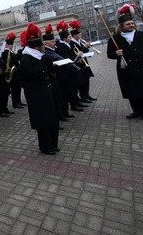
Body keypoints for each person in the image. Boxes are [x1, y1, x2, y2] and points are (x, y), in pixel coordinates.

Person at [107, 4, 143, 122]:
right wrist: (116, 53)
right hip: (126, 69)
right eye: (128, 24)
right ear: (121, 26)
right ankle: (136, 111)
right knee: (131, 90)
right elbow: (109, 54)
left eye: (132, 24)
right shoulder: (114, 39)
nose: (131, 25)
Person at [20, 23, 61, 155]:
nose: (44, 47)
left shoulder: (41, 56)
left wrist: (53, 65)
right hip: (37, 95)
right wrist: (43, 61)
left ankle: (53, 144)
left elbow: (49, 71)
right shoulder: (26, 58)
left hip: (48, 91)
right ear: (38, 47)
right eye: (42, 45)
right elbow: (32, 75)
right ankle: (45, 147)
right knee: (44, 122)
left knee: (53, 119)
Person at [55, 20, 87, 112]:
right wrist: (77, 56)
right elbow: (67, 59)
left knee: (75, 87)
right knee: (71, 89)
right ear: (65, 38)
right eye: (69, 37)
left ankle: (76, 101)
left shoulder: (67, 45)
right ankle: (74, 104)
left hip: (73, 70)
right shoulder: (62, 46)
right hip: (67, 71)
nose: (70, 38)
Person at [69, 20, 97, 103]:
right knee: (82, 81)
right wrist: (85, 47)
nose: (80, 35)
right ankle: (83, 96)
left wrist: (87, 47)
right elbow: (77, 53)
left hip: (85, 63)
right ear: (74, 35)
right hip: (79, 65)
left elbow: (84, 52)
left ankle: (87, 94)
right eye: (79, 34)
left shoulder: (80, 41)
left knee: (87, 79)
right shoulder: (71, 43)